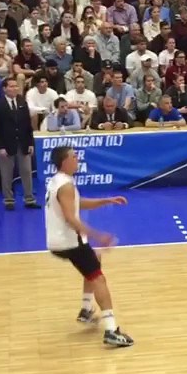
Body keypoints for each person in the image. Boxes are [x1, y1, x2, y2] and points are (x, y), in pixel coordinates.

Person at [45, 145, 133, 348]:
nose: (77, 159)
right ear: (64, 161)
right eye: (74, 157)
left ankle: (86, 309)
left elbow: (77, 203)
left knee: (95, 260)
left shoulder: (59, 181)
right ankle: (111, 330)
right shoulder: (65, 185)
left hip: (58, 241)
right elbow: (70, 217)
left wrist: (106, 200)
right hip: (69, 241)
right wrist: (98, 235)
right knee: (99, 278)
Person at [0, 77, 38, 211]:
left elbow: (27, 125)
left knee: (27, 172)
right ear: (4, 89)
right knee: (7, 174)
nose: (14, 89)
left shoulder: (23, 103)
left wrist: (30, 143)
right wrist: (0, 146)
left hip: (22, 143)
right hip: (6, 144)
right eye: (11, 86)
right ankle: (9, 200)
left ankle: (29, 199)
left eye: (16, 86)